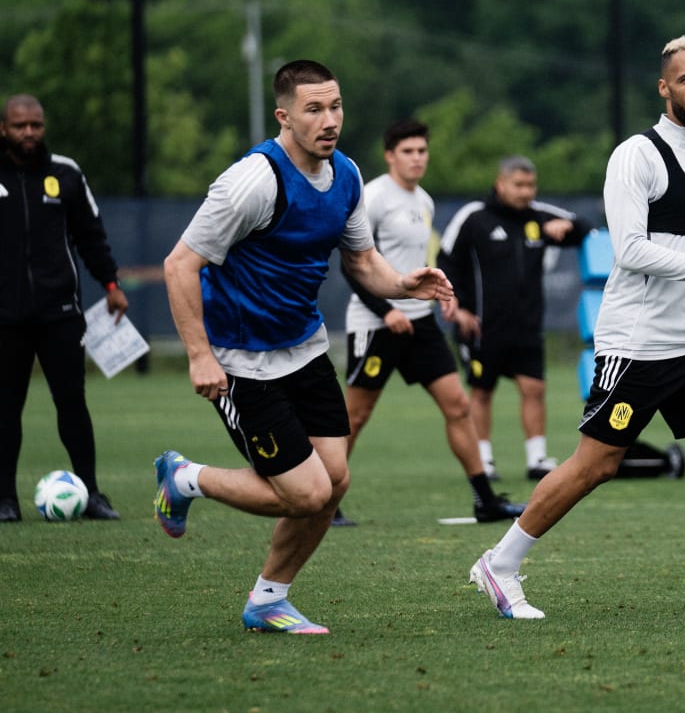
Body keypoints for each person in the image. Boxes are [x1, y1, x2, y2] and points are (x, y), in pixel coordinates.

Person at [467, 35, 685, 619]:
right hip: (637, 342)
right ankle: (499, 564)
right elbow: (629, 251)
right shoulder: (637, 155)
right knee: (596, 464)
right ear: (664, 87)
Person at [155, 60, 453, 634]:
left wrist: (402, 283)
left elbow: (361, 259)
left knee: (335, 480)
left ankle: (269, 599)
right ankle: (185, 477)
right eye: (314, 109)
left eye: (335, 106)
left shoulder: (345, 176)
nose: (329, 119)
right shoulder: (254, 180)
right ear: (284, 116)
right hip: (243, 359)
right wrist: (198, 354)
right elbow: (179, 264)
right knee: (308, 492)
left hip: (306, 348)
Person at [336, 119, 524, 526]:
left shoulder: (423, 200)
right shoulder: (373, 197)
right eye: (408, 151)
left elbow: (421, 263)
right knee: (355, 416)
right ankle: (325, 501)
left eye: (422, 151)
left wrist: (444, 292)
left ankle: (485, 500)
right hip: (376, 323)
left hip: (420, 324)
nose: (417, 158)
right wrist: (386, 310)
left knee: (458, 405)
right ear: (390, 156)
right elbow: (352, 266)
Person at [0, 94, 127, 522]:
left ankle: (91, 493)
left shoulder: (66, 174)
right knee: (5, 407)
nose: (29, 133)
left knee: (72, 402)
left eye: (36, 125)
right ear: (4, 129)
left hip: (60, 311)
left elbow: (92, 235)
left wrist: (111, 284)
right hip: (5, 317)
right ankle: (4, 499)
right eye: (20, 126)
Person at [437, 156, 591, 481]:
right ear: (500, 184)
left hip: (527, 327)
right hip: (482, 326)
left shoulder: (539, 215)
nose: (526, 192)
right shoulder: (474, 217)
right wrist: (458, 308)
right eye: (519, 185)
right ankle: (484, 460)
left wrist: (567, 227)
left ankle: (537, 458)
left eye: (531, 185)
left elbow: (585, 227)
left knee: (534, 388)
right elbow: (446, 261)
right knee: (481, 391)